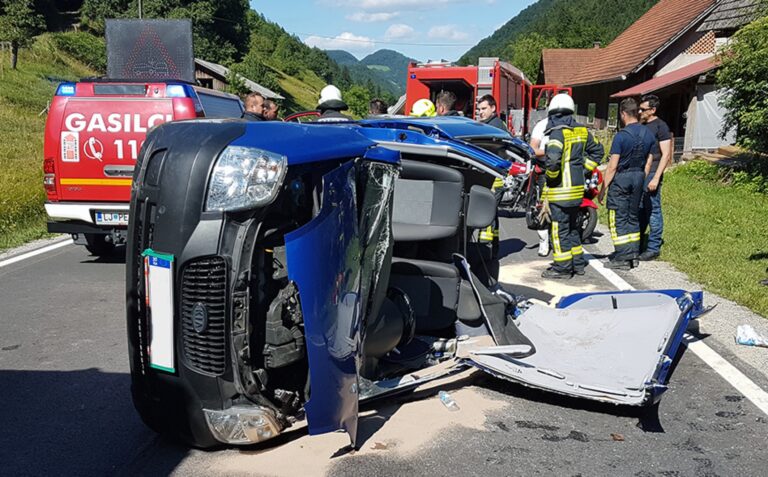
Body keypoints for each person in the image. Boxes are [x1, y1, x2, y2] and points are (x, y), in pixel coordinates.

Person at [541, 94, 603, 279]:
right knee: (573, 228)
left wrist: (551, 179)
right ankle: (577, 264)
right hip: (577, 191)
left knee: (559, 230)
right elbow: (598, 151)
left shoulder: (557, 132)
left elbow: (552, 162)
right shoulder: (582, 131)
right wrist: (584, 169)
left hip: (560, 192)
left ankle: (562, 268)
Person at [598, 98, 656, 270]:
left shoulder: (621, 137)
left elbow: (612, 166)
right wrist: (640, 179)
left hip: (622, 178)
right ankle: (632, 254)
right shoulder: (649, 134)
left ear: (623, 114)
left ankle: (622, 257)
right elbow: (648, 162)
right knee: (633, 216)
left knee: (618, 217)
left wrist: (602, 190)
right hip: (639, 176)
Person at [638, 94, 672, 261]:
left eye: (643, 109)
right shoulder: (642, 125)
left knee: (653, 210)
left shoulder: (661, 127)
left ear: (653, 110)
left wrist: (656, 178)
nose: (640, 111)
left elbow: (666, 155)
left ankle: (653, 247)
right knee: (640, 209)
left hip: (652, 173)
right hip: (640, 172)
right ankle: (638, 242)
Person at [529, 116, 551, 257]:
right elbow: (533, 149)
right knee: (544, 207)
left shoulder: (574, 127)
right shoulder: (542, 126)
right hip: (545, 169)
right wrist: (551, 152)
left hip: (567, 170)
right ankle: (544, 241)